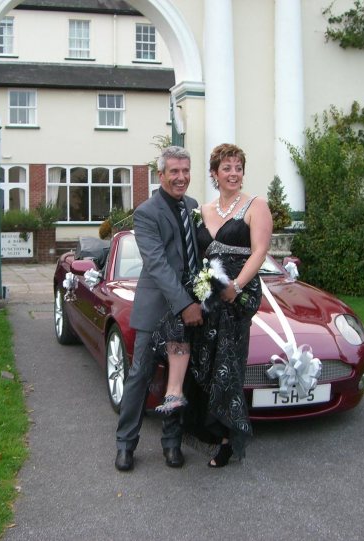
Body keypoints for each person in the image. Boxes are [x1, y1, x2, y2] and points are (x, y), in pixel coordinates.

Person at [114, 146, 203, 472]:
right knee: (140, 377)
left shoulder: (192, 206)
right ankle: (125, 444)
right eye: (174, 172)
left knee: (177, 377)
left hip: (185, 316)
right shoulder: (147, 212)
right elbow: (158, 263)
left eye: (185, 171)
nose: (181, 178)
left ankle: (171, 443)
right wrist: (185, 305)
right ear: (161, 174)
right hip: (158, 311)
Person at [184, 143, 272, 468]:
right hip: (207, 298)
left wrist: (235, 286)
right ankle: (207, 428)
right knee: (204, 362)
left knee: (228, 366)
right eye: (227, 168)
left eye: (238, 168)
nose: (233, 174)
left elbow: (260, 251)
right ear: (214, 174)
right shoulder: (202, 210)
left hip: (237, 299)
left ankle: (227, 439)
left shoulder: (255, 205)